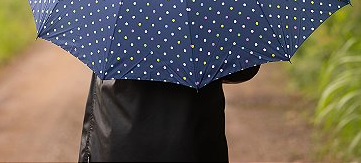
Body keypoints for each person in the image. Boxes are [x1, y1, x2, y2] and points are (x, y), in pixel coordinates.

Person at [78, 65, 260, 162]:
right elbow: (244, 69)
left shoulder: (116, 3)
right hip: (193, 145)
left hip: (118, 144)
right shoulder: (209, 1)